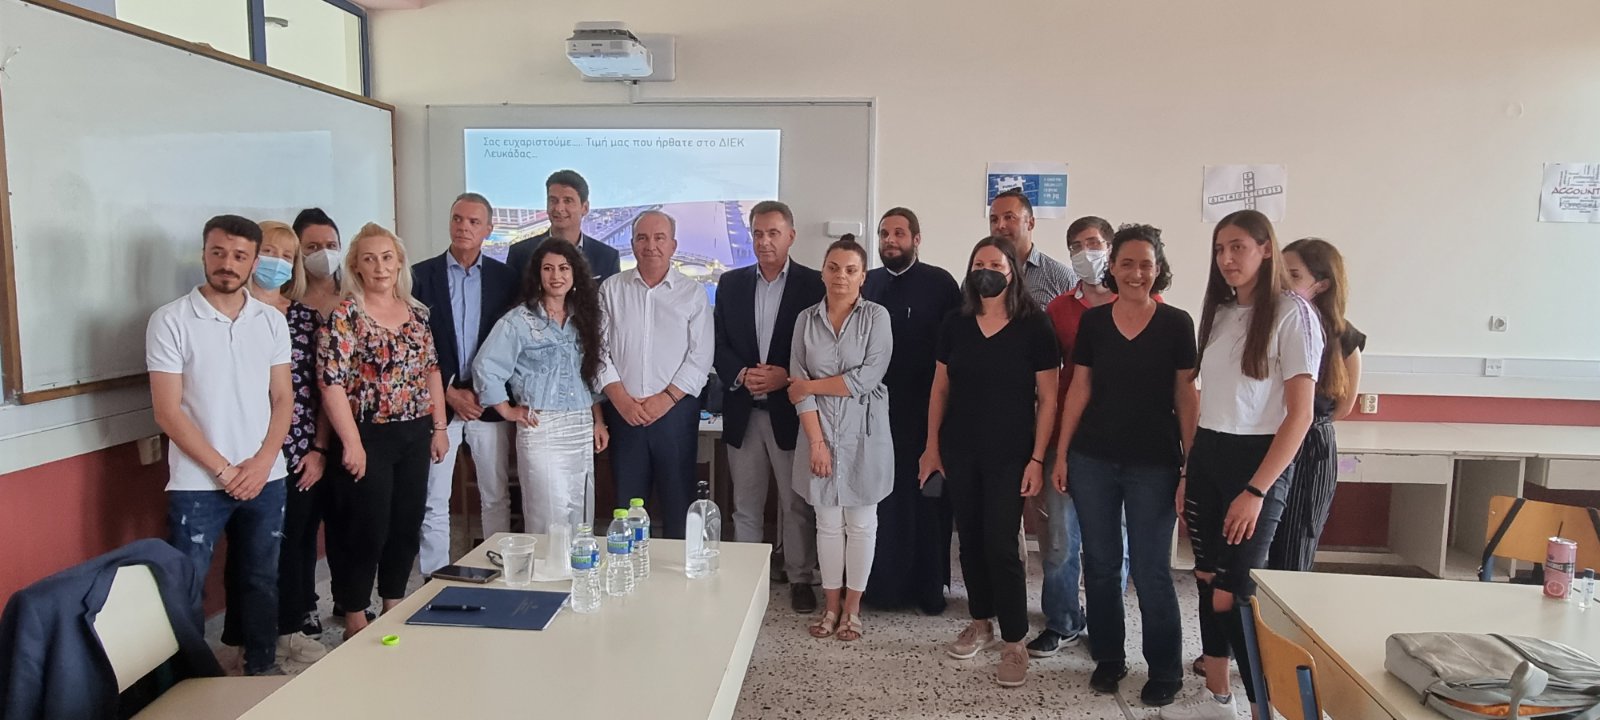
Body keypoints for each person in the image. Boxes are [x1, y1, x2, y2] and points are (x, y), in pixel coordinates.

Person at [1162, 210, 1322, 720]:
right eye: (1219, 249)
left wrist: (1255, 492)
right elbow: (1209, 401)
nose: (1227, 259)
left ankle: (1263, 709)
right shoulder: (1222, 311)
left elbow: (1300, 416)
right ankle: (1217, 700)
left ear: (1265, 249)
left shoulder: (1293, 314)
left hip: (1257, 464)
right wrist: (1189, 471)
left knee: (1234, 596)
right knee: (1206, 580)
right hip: (1209, 454)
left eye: (1238, 247)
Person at [1051, 224, 1197, 706]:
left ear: (1159, 270)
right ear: (1112, 268)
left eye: (1146, 265)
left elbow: (1186, 397)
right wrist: (1062, 453)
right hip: (1092, 459)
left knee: (1152, 569)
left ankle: (1165, 669)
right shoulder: (1094, 323)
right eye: (1127, 263)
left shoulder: (1177, 323)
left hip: (1154, 465)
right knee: (1100, 564)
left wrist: (1189, 467)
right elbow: (1080, 388)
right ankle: (1109, 658)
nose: (1136, 273)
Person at [146, 214, 293, 676]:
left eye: (239, 256)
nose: (227, 264)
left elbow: (283, 398)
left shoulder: (271, 321)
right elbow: (168, 411)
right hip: (197, 481)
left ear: (254, 261)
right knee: (186, 585)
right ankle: (189, 682)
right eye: (218, 253)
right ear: (204, 254)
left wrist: (263, 462)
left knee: (260, 579)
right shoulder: (170, 320)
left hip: (266, 477)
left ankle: (260, 666)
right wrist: (225, 470)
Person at [921, 237, 1060, 688]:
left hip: (1011, 453)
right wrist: (931, 447)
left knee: (1001, 544)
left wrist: (1037, 458)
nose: (987, 270)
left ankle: (1015, 640)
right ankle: (980, 622)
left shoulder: (1035, 325)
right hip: (960, 448)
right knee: (969, 541)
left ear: (1012, 271)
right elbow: (940, 388)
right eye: (978, 263)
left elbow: (1048, 398)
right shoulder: (956, 322)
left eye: (996, 264)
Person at [318, 223, 449, 640]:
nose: (379, 267)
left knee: (406, 523)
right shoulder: (346, 315)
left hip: (414, 432)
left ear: (399, 263)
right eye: (370, 259)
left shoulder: (417, 313)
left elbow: (431, 371)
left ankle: (395, 602)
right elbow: (330, 382)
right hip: (366, 434)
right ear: (356, 266)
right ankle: (355, 614)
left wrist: (439, 427)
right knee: (366, 527)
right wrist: (351, 442)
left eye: (387, 258)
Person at [713, 200, 826, 613]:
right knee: (745, 504)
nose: (764, 241)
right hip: (743, 411)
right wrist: (742, 373)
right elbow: (717, 342)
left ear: (790, 236)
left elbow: (820, 347)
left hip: (791, 412)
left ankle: (800, 578)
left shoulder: (813, 285)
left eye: (773, 233)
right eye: (757, 233)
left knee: (796, 504)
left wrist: (786, 378)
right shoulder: (731, 284)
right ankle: (748, 579)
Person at [229, 220, 329, 667]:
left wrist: (318, 449)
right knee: (247, 549)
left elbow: (323, 388)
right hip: (245, 452)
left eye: (287, 256)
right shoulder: (231, 315)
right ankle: (241, 638)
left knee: (298, 542)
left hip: (300, 449)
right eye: (269, 252)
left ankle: (290, 629)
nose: (277, 263)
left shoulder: (305, 318)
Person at [789, 236, 893, 642]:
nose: (841, 277)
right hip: (818, 433)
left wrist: (812, 385)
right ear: (822, 272)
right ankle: (830, 607)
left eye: (851, 270)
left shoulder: (877, 317)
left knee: (861, 524)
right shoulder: (805, 320)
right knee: (828, 524)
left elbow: (866, 378)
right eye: (833, 268)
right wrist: (816, 443)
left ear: (863, 276)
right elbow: (798, 389)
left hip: (864, 434)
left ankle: (853, 610)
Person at [410, 193, 519, 575]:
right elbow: (414, 346)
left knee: (496, 495)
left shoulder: (506, 279)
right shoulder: (420, 277)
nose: (463, 227)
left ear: (489, 229)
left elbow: (513, 345)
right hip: (440, 401)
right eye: (457, 219)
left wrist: (487, 391)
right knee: (434, 498)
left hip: (489, 403)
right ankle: (435, 576)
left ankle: (498, 570)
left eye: (474, 222)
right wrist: (447, 393)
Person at [861, 208, 962, 615]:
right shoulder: (867, 282)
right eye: (884, 233)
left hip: (925, 414)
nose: (890, 240)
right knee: (882, 502)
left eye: (899, 233)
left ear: (916, 239)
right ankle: (882, 588)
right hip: (873, 414)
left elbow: (953, 349)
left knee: (926, 501)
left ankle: (928, 589)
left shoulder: (940, 284)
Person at [474, 239, 610, 537]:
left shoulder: (584, 318)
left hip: (580, 425)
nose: (556, 275)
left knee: (578, 512)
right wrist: (507, 410)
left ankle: (575, 568)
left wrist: (598, 421)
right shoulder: (519, 320)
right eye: (548, 268)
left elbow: (589, 375)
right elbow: (486, 367)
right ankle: (546, 568)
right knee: (548, 514)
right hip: (541, 427)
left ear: (574, 274)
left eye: (564, 268)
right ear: (538, 274)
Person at [1028, 215, 1116, 657]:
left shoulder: (1141, 302)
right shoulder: (1059, 309)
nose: (1086, 252)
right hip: (1066, 438)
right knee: (1060, 541)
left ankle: (1107, 624)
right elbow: (1049, 376)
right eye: (1076, 246)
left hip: (1119, 442)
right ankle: (1063, 621)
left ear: (1111, 247)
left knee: (1111, 546)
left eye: (1094, 243)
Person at [596, 210, 713, 537]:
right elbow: (597, 351)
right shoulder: (611, 289)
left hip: (675, 414)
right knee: (627, 507)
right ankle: (630, 565)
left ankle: (679, 568)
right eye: (642, 238)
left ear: (673, 245)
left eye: (659, 238)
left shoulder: (692, 293)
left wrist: (666, 399)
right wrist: (620, 398)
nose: (651, 246)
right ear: (632, 244)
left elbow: (701, 357)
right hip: (624, 413)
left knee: (679, 505)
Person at [1267, 238, 1365, 572]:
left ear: (1321, 284)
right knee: (1256, 543)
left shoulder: (1343, 336)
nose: (1282, 283)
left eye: (1293, 276)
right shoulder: (1268, 323)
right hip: (1267, 438)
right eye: (1279, 273)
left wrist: (1302, 422)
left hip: (1311, 446)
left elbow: (1343, 406)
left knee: (1295, 545)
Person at [505, 169, 623, 284]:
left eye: (567, 201)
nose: (558, 208)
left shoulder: (607, 257)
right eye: (553, 200)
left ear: (585, 208)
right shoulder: (520, 254)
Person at [989, 188, 1077, 309]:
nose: (1000, 225)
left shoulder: (1060, 277)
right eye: (994, 220)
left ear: (1030, 223)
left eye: (1009, 217)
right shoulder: (979, 275)